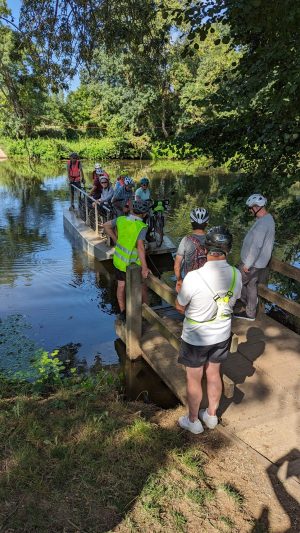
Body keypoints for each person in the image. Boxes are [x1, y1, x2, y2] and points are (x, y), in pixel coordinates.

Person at [175, 226, 242, 434]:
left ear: (206, 249)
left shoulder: (193, 277)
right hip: (221, 334)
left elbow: (180, 306)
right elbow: (234, 300)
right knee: (214, 374)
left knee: (194, 378)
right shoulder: (235, 274)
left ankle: (193, 421)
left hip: (196, 337)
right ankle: (211, 416)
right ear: (228, 250)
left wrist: (180, 291)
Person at [103, 200, 151, 321]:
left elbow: (106, 225)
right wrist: (145, 267)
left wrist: (116, 239)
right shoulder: (141, 226)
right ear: (144, 214)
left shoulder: (121, 219)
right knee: (143, 286)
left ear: (132, 210)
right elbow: (140, 247)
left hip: (119, 261)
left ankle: (123, 312)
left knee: (121, 286)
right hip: (133, 263)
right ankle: (146, 312)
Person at [234, 194, 275, 321]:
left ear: (257, 207)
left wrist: (248, 264)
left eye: (251, 208)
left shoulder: (263, 224)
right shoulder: (267, 219)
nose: (250, 210)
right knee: (251, 285)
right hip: (259, 263)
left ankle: (243, 305)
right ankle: (250, 312)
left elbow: (257, 246)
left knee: (236, 283)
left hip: (251, 263)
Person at [174, 208, 209, 293]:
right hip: (208, 283)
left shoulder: (186, 240)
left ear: (191, 222)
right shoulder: (211, 240)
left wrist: (179, 281)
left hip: (189, 283)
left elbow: (177, 266)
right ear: (207, 223)